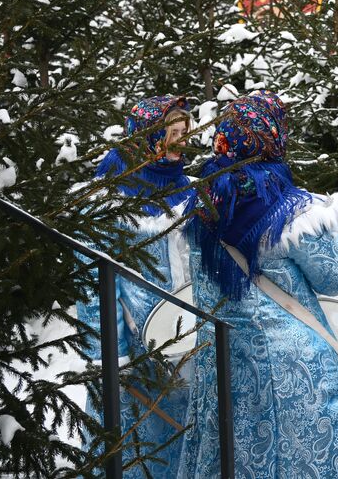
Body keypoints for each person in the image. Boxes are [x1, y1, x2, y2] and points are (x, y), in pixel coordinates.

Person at [175, 91, 338, 479]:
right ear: (274, 137)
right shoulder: (291, 211)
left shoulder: (202, 201)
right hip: (293, 370)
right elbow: (335, 274)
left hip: (223, 363)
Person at [77, 95, 196, 477]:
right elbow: (94, 286)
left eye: (183, 133)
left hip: (188, 342)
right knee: (138, 450)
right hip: (138, 350)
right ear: (144, 137)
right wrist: (112, 358)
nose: (179, 143)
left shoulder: (190, 189)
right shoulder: (108, 199)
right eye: (170, 134)